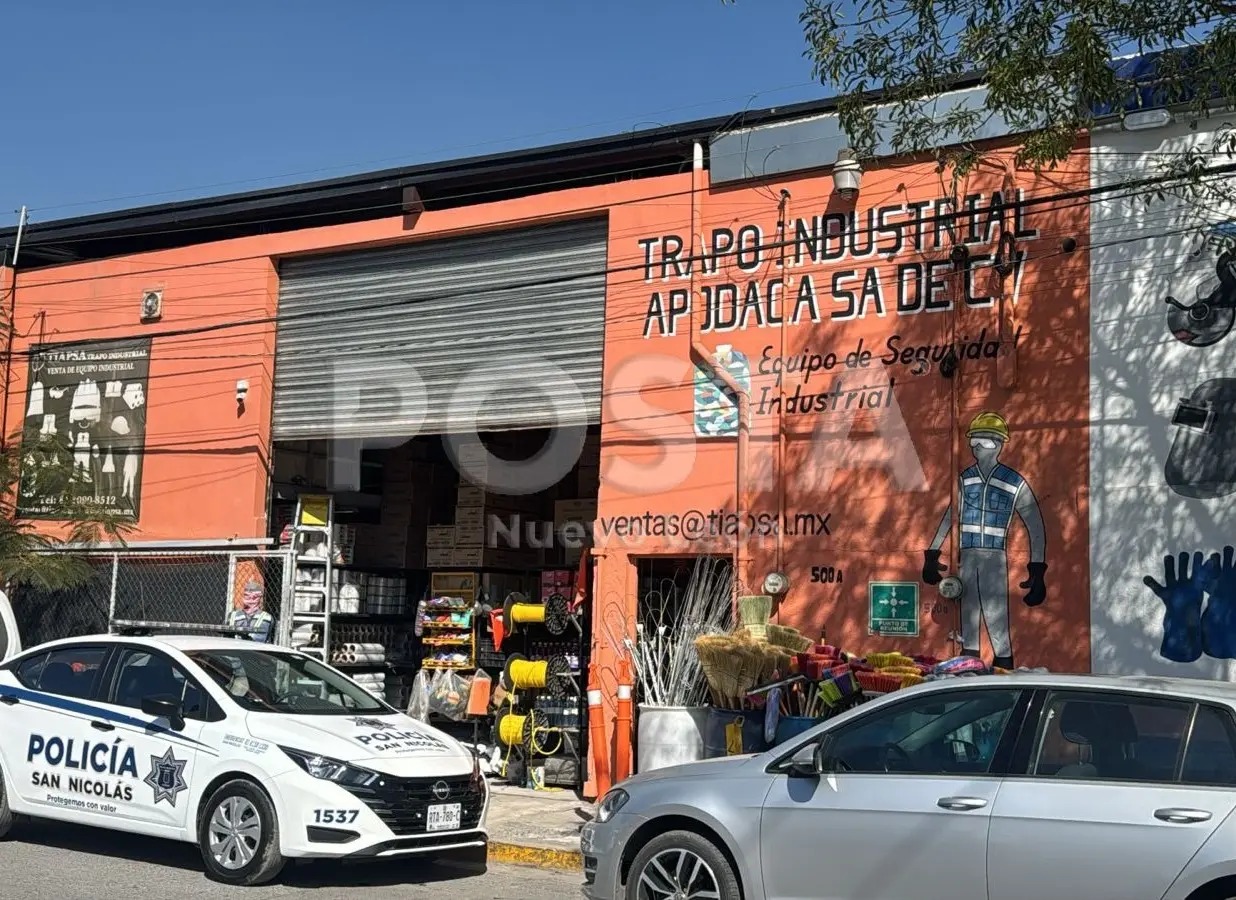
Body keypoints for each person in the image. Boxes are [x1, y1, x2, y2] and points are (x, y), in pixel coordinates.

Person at [921, 411, 1047, 669]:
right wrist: (932, 554)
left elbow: (1035, 525)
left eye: (984, 441)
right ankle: (970, 670)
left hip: (994, 557)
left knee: (996, 615)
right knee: (969, 614)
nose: (976, 446)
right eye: (973, 440)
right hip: (967, 555)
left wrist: (1037, 568)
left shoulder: (1013, 482)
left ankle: (1003, 667)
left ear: (999, 444)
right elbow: (949, 516)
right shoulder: (965, 478)